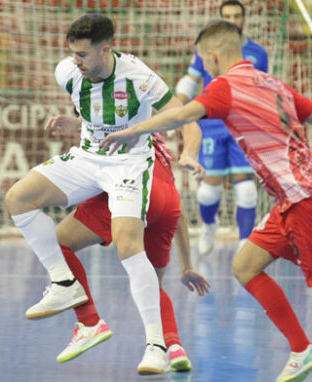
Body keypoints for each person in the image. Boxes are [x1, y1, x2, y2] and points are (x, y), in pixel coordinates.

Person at [100, 21, 312, 382]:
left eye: (203, 60)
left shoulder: (224, 88)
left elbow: (180, 115)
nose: (205, 69)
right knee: (245, 264)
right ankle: (302, 350)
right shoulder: (273, 83)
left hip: (307, 200)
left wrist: (129, 131)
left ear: (212, 55)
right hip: (293, 199)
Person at [4, 14, 202, 375]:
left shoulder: (138, 76)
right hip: (87, 157)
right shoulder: (67, 72)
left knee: (129, 244)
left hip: (128, 163)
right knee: (17, 197)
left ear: (106, 49)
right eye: (73, 54)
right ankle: (65, 285)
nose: (76, 62)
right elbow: (99, 110)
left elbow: (185, 117)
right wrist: (79, 123)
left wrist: (188, 153)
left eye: (83, 54)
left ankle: (158, 345)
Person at [46, 133, 209, 372]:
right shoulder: (155, 139)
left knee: (57, 243)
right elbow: (179, 211)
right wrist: (187, 265)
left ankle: (88, 320)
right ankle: (174, 347)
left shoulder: (101, 129)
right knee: (152, 284)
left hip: (130, 190)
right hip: (168, 203)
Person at [175, 0, 268, 256]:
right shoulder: (205, 50)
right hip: (212, 124)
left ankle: (244, 243)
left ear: (244, 19)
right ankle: (208, 225)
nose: (232, 20)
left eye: (237, 16)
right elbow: (191, 78)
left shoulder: (258, 53)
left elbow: (262, 88)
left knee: (247, 188)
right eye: (227, 16)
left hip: (243, 125)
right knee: (207, 191)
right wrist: (178, 104)